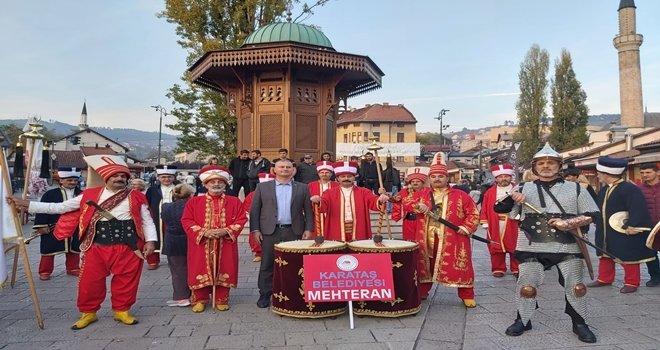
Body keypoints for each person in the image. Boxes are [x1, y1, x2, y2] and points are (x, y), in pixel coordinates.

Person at [8, 155, 157, 330]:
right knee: (90, 281)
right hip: (96, 245)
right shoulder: (89, 195)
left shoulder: (137, 196)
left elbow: (147, 221)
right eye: (115, 176)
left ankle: (122, 310)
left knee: (127, 280)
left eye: (123, 176)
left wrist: (151, 241)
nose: (119, 179)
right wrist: (28, 205)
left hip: (129, 246)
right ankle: (89, 312)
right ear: (106, 178)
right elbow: (60, 207)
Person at [497, 143, 598, 343]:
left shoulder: (576, 188)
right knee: (527, 286)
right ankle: (523, 320)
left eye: (551, 162)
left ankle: (580, 323)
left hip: (568, 242)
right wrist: (513, 198)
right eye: (541, 163)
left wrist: (568, 223)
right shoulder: (524, 187)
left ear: (559, 166)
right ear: (534, 166)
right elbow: (499, 208)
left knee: (576, 286)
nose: (546, 166)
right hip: (532, 243)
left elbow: (593, 214)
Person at [405, 152, 480, 306]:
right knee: (425, 265)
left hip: (453, 236)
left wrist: (466, 227)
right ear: (429, 179)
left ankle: (466, 294)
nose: (437, 179)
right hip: (427, 236)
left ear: (447, 178)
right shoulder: (422, 194)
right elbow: (406, 203)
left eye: (440, 176)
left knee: (460, 266)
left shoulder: (461, 195)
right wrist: (418, 206)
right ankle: (422, 292)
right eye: (433, 176)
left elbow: (473, 213)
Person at [181, 166, 247, 312]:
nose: (216, 184)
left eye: (220, 182)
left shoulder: (235, 201)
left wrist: (226, 230)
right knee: (199, 268)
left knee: (225, 267)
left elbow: (241, 219)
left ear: (225, 184)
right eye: (212, 182)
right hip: (201, 243)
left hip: (226, 242)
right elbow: (186, 220)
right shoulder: (193, 202)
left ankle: (221, 299)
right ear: (205, 184)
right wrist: (204, 232)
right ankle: (199, 299)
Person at [250, 159, 313, 308]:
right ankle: (265, 294)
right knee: (267, 264)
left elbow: (308, 211)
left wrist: (308, 229)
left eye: (288, 167)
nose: (285, 169)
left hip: (294, 230)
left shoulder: (303, 188)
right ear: (274, 170)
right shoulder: (262, 187)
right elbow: (255, 210)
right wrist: (255, 230)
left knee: (295, 263)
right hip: (270, 231)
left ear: (293, 170)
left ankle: (294, 293)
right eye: (281, 167)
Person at [589, 157, 655, 294]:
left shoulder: (630, 189)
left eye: (599, 173)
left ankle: (632, 282)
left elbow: (638, 208)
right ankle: (605, 278)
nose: (598, 175)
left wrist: (634, 226)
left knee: (628, 254)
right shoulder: (604, 190)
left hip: (624, 229)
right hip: (606, 229)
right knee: (605, 252)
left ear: (606, 174)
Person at [311, 161, 389, 242]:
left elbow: (373, 200)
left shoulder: (364, 192)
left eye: (349, 176)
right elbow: (323, 205)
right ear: (337, 178)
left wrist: (380, 199)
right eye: (343, 176)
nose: (346, 179)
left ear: (354, 177)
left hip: (358, 228)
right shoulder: (329, 193)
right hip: (336, 229)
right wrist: (318, 201)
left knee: (357, 252)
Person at [32, 167, 83, 280]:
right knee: (48, 249)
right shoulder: (49, 194)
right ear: (61, 180)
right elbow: (42, 210)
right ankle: (45, 271)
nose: (73, 182)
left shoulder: (82, 194)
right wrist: (42, 225)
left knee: (74, 247)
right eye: (69, 180)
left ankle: (73, 268)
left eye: (75, 180)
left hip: (75, 227)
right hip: (53, 227)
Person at [479, 163, 519, 278]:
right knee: (495, 245)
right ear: (496, 178)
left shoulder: (518, 189)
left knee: (515, 245)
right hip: (495, 222)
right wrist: (485, 221)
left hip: (513, 222)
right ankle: (498, 268)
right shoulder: (490, 192)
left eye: (506, 176)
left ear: (511, 177)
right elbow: (485, 207)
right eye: (501, 177)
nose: (504, 179)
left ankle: (516, 268)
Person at [161, 183, 195, 307]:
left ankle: (182, 297)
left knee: (178, 270)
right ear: (191, 195)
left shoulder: (166, 207)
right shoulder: (193, 206)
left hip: (172, 241)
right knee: (193, 268)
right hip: (191, 240)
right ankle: (195, 293)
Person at [144, 165, 178, 270]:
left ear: (174, 177)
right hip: (156, 217)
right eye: (163, 177)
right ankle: (153, 260)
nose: (166, 179)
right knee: (154, 237)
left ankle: (174, 260)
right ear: (158, 177)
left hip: (174, 218)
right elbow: (147, 203)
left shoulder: (179, 188)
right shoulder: (152, 189)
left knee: (173, 238)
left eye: (169, 177)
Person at [242, 173, 276, 262]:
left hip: (274, 219)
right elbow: (248, 206)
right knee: (256, 236)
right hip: (259, 219)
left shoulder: (278, 192)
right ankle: (259, 253)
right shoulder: (253, 194)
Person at [391, 166, 429, 241]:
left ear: (422, 182)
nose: (415, 183)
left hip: (422, 220)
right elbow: (395, 199)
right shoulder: (404, 191)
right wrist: (386, 195)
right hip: (408, 221)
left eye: (417, 181)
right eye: (413, 182)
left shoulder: (428, 191)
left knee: (421, 241)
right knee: (409, 242)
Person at [638, 163, 660, 287]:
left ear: (657, 173)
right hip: (648, 227)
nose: (644, 175)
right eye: (642, 173)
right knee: (650, 254)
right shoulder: (638, 190)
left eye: (648, 172)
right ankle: (655, 277)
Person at [307, 161, 338, 237]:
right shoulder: (310, 185)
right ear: (318, 173)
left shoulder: (337, 185)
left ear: (331, 173)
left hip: (333, 214)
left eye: (327, 172)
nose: (324, 174)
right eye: (322, 172)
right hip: (316, 215)